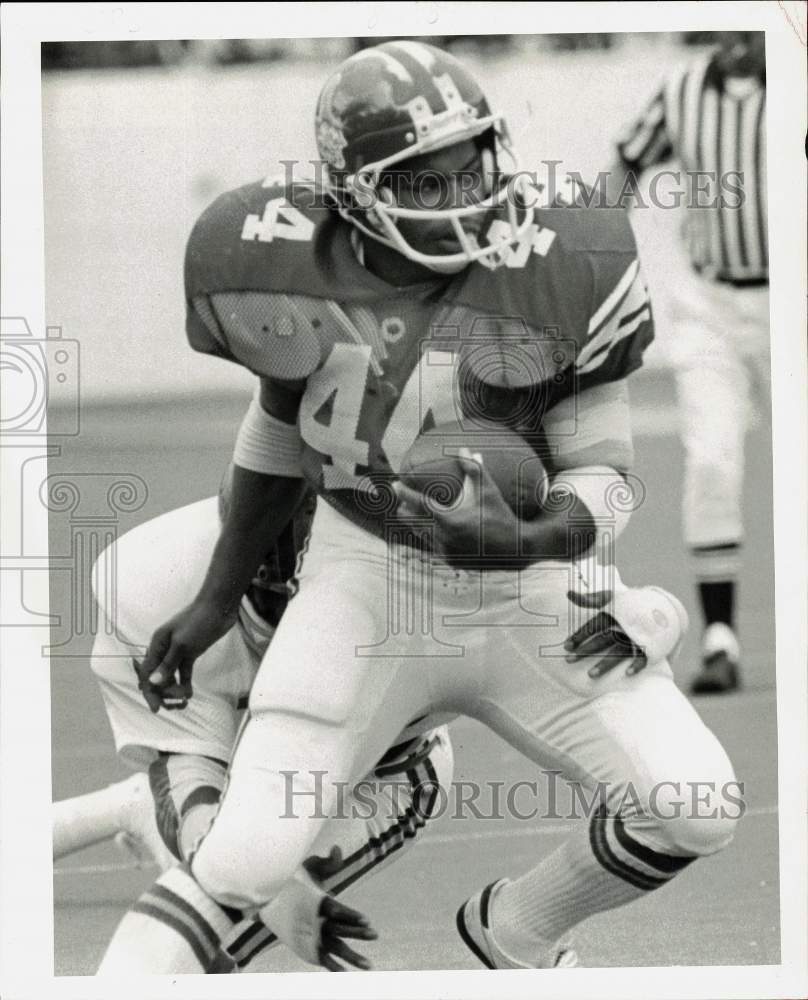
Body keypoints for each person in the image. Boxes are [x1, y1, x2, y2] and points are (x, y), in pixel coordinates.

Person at [101, 40, 739, 973]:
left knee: (697, 804)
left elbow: (605, 471)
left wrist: (531, 538)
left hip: (525, 586)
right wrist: (211, 601)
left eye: (471, 163)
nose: (467, 194)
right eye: (425, 183)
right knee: (241, 865)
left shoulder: (568, 257)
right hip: (363, 573)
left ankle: (517, 928)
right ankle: (182, 816)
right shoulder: (281, 263)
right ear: (355, 191)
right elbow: (277, 435)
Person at [79, 489, 454, 973]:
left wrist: (273, 876)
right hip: (220, 732)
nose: (295, 622)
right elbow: (187, 767)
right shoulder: (147, 582)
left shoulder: (429, 607)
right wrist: (278, 896)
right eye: (275, 598)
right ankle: (149, 809)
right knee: (196, 950)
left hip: (355, 771)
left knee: (211, 951)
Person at [604, 32, 769, 693]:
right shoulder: (680, 91)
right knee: (710, 458)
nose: (733, 39)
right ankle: (721, 637)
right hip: (709, 303)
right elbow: (626, 163)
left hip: (794, 296)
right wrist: (593, 245)